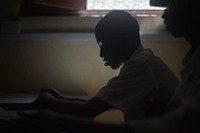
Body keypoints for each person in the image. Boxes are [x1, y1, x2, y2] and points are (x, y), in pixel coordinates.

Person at [27, 10, 178, 121]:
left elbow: (88, 111)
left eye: (103, 45)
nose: (101, 54)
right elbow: (97, 104)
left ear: (123, 40)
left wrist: (49, 101)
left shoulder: (140, 66)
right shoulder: (142, 61)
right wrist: (62, 99)